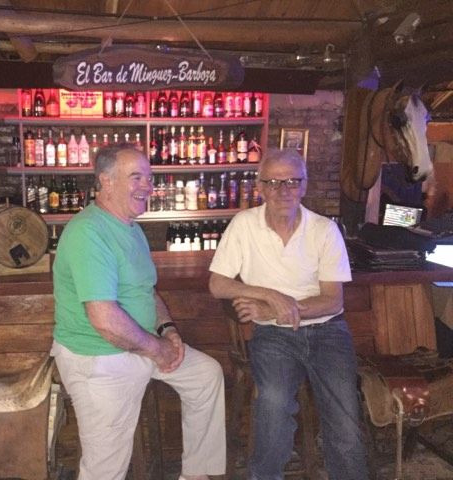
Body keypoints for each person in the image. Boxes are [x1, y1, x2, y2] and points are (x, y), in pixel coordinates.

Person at [51, 145, 226, 480]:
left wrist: (167, 329)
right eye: (136, 177)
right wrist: (157, 349)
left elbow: (147, 291)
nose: (147, 185)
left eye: (149, 177)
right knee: (106, 467)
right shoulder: (89, 232)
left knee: (205, 376)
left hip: (140, 345)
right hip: (99, 358)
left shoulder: (130, 228)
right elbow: (105, 320)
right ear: (106, 181)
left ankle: (195, 476)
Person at [208, 149, 368, 480]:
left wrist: (271, 309)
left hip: (328, 331)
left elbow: (332, 301)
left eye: (292, 181)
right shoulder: (244, 225)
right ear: (260, 187)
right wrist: (269, 295)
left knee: (345, 419)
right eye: (274, 182)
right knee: (273, 405)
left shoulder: (324, 230)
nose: (283, 190)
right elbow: (218, 284)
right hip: (273, 336)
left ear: (304, 186)